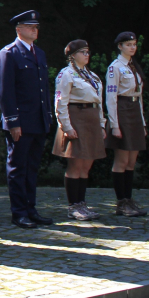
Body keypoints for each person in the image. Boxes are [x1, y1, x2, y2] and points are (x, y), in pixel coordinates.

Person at [0, 10, 54, 229]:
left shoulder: (39, 53)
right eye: (30, 27)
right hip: (21, 121)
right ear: (19, 29)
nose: (34, 30)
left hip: (37, 120)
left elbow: (43, 89)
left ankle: (31, 209)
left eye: (36, 27)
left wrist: (47, 117)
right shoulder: (8, 53)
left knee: (32, 167)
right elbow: (4, 91)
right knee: (18, 167)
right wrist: (13, 122)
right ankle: (19, 212)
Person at [52, 40, 107, 221]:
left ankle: (82, 204)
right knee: (76, 164)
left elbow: (99, 103)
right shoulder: (66, 74)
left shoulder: (93, 76)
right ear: (72, 55)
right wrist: (66, 126)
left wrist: (101, 124)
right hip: (76, 118)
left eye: (88, 51)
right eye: (82, 52)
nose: (87, 55)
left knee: (86, 165)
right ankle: (73, 206)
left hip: (91, 120)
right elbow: (61, 102)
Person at [106, 31, 148, 217]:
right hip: (122, 111)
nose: (132, 47)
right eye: (128, 44)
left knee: (131, 161)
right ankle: (121, 202)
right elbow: (111, 97)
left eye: (134, 44)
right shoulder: (115, 67)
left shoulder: (133, 66)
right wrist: (114, 124)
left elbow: (139, 97)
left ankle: (129, 200)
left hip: (134, 112)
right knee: (122, 160)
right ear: (119, 46)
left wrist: (143, 122)